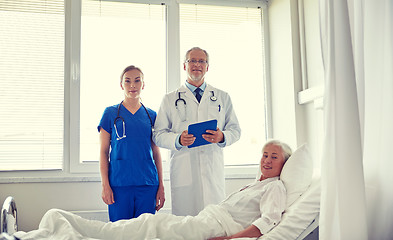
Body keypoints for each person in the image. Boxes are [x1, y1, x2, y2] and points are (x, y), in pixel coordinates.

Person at [13, 140, 292, 240]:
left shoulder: (275, 189)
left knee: (148, 226)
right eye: (265, 155)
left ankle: (61, 224)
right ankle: (61, 224)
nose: (266, 160)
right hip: (204, 221)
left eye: (274, 157)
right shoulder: (258, 184)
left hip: (211, 228)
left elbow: (266, 222)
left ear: (284, 163)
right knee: (147, 225)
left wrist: (230, 239)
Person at [153, 47, 241, 216]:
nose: (197, 65)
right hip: (184, 169)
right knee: (186, 225)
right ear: (184, 66)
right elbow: (158, 135)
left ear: (207, 67)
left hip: (212, 170)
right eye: (192, 60)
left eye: (202, 61)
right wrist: (178, 140)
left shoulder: (222, 97)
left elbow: (235, 130)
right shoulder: (170, 99)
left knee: (213, 221)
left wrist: (222, 136)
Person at [98, 65, 165, 221]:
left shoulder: (152, 116)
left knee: (144, 232)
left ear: (143, 84)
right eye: (127, 81)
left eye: (137, 80)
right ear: (121, 85)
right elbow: (103, 152)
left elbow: (156, 153)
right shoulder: (110, 113)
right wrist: (105, 185)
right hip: (119, 184)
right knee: (120, 233)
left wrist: (161, 185)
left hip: (147, 184)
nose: (132, 85)